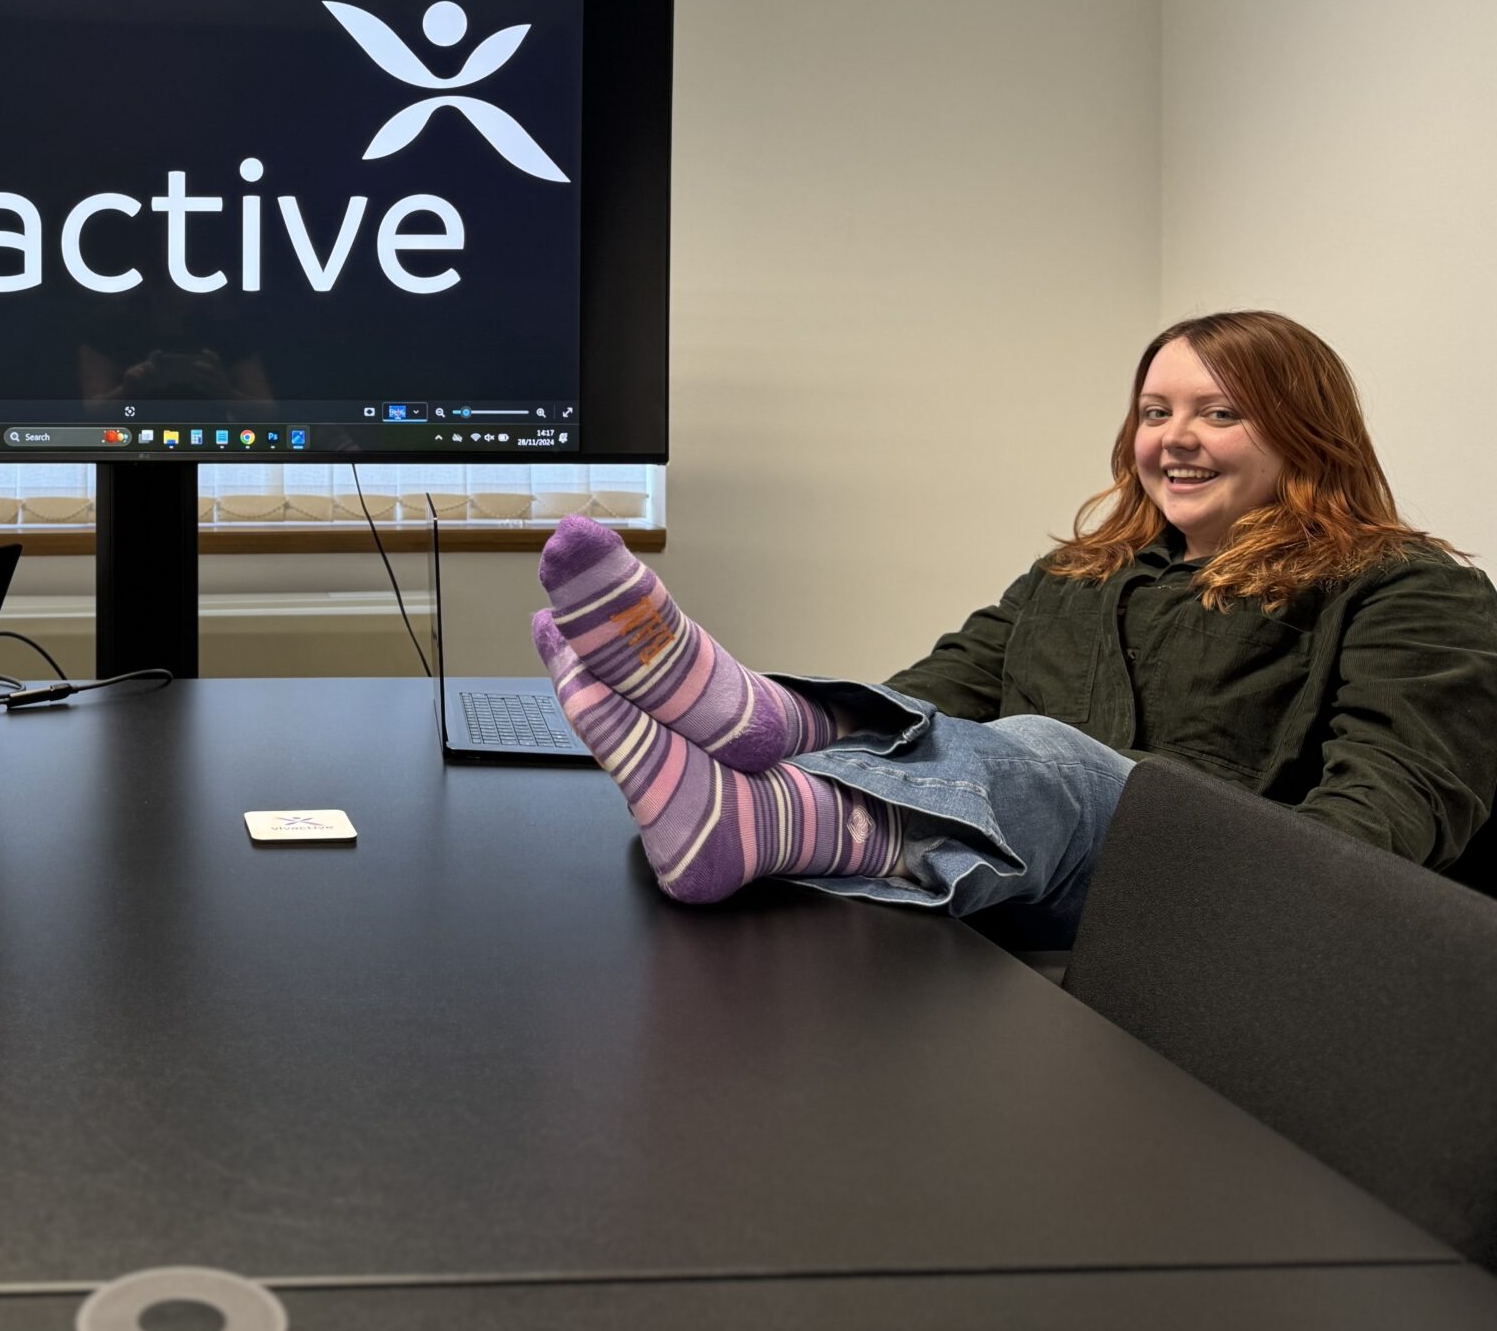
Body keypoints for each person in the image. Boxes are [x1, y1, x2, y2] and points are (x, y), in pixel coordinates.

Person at [531, 310, 1497, 945]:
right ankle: (758, 753)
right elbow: (921, 710)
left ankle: (752, 732)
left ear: (1305, 431)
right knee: (905, 730)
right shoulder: (1073, 578)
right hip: (1013, 893)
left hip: (1224, 913)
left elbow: (1382, 822)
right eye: (1155, 411)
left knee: (1048, 753)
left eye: (1223, 411)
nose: (1176, 438)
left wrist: (1236, 930)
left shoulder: (1409, 590)